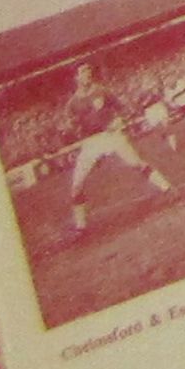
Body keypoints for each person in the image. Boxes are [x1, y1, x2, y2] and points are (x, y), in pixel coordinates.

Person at [60, 60, 171, 238]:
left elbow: (122, 108)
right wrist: (70, 131)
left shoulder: (102, 91)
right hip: (91, 142)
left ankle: (167, 189)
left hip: (110, 135)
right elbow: (70, 127)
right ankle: (81, 227)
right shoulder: (72, 103)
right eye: (83, 72)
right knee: (76, 186)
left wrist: (119, 120)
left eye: (88, 70)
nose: (87, 74)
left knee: (136, 163)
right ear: (76, 77)